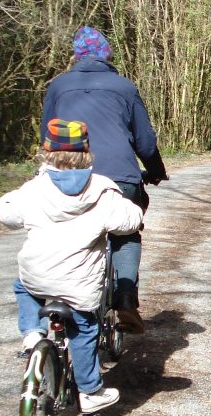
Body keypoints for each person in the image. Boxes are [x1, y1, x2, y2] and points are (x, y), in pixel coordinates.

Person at [0, 119, 144, 414]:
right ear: (87, 152)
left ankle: (32, 333)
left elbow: (7, 214)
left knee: (24, 287)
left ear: (46, 152)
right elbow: (129, 221)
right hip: (79, 284)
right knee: (85, 327)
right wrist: (135, 215)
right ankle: (89, 391)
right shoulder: (102, 190)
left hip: (37, 275)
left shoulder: (34, 188)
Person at [40, 26, 168, 334]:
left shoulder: (58, 86)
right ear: (107, 55)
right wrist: (155, 170)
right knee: (126, 233)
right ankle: (125, 300)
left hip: (67, 172)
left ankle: (60, 299)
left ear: (76, 55)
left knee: (64, 231)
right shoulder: (124, 87)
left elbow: (47, 133)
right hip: (119, 176)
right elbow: (145, 143)